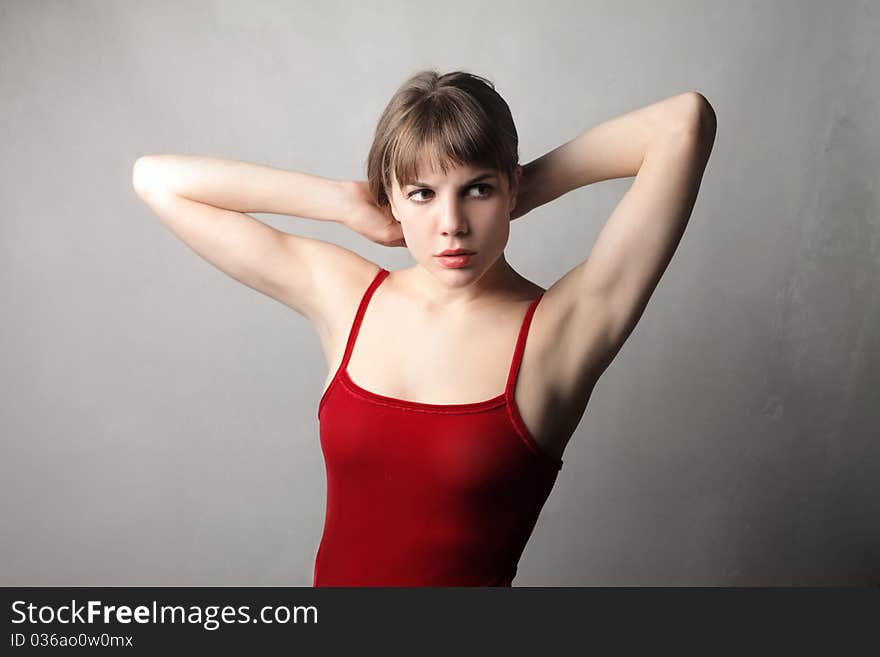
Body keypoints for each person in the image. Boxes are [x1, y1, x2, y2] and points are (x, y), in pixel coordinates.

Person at [132, 70, 716, 586]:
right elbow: (158, 181)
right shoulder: (348, 297)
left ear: (509, 187)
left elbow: (682, 123)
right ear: (393, 198)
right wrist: (343, 201)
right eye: (423, 194)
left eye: (477, 190)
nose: (451, 224)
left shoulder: (560, 331)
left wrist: (523, 188)